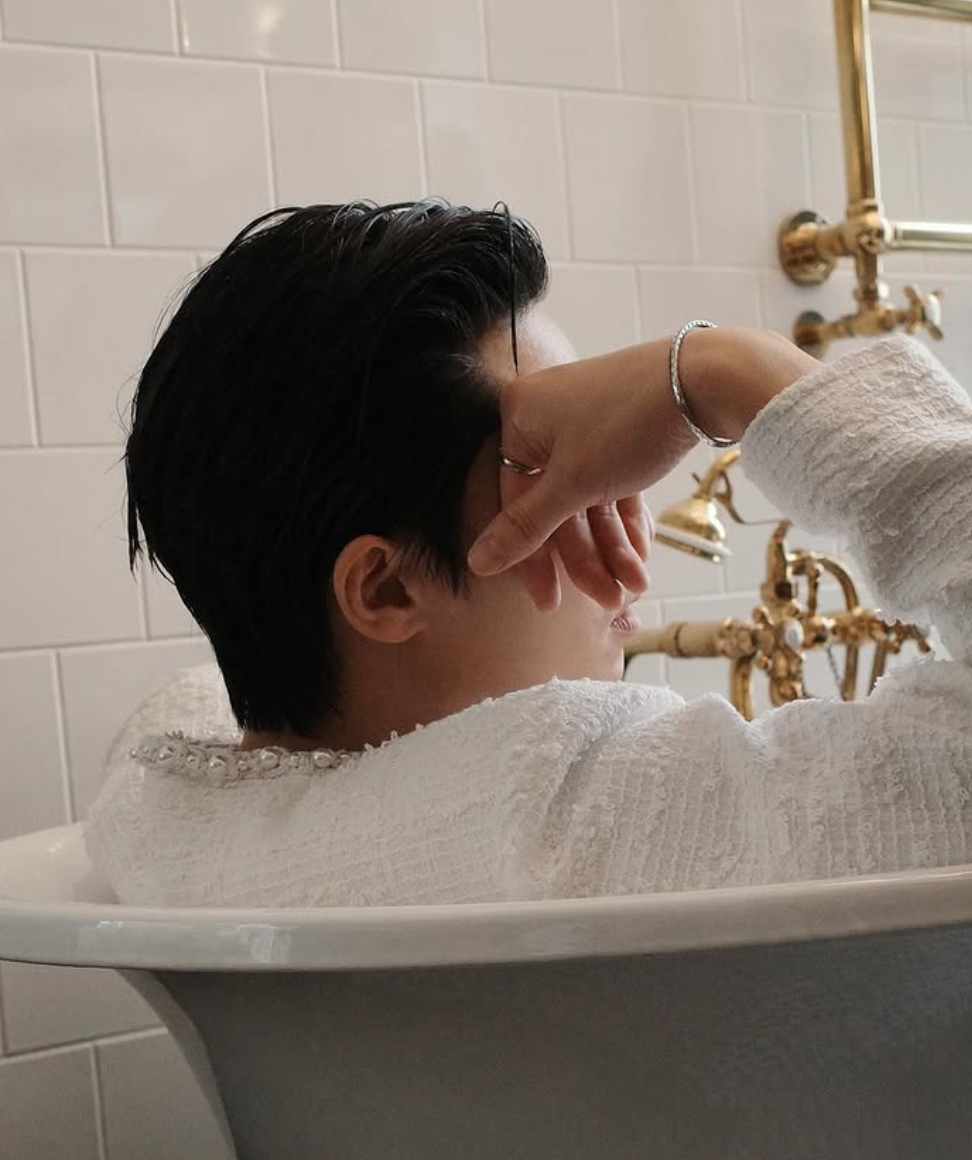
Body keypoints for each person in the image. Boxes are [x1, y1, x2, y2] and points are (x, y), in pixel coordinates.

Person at [86, 200, 972, 907]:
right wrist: (730, 370)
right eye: (546, 476)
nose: (627, 527)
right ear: (386, 589)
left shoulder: (162, 811)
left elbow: (192, 700)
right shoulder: (568, 811)